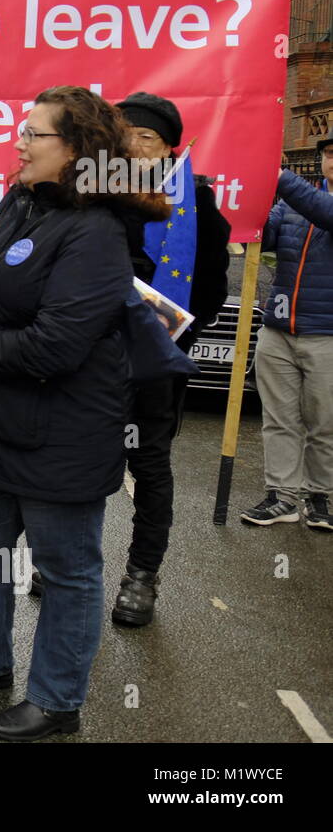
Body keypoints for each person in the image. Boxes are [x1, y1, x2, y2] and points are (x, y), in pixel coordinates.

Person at [0, 86, 169, 741]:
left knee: (67, 573)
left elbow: (60, 342)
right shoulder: (20, 201)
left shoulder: (98, 230)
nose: (19, 144)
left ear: (77, 150)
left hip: (63, 435)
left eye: (34, 135)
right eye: (21, 132)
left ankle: (57, 701)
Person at [103, 92, 231, 625]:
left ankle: (141, 575)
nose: (134, 145)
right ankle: (68, 559)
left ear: (170, 148)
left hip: (156, 362)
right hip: (92, 359)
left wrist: (167, 332)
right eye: (125, 133)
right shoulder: (97, 196)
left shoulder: (196, 206)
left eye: (147, 137)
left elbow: (210, 291)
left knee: (149, 467)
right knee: (81, 459)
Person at [240, 137, 333, 531]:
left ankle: (320, 495)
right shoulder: (296, 201)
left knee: (324, 421)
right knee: (278, 419)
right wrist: (248, 207)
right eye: (330, 154)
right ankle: (282, 496)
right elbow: (264, 236)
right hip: (279, 330)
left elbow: (326, 213)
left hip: (326, 334)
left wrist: (275, 175)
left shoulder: (308, 200)